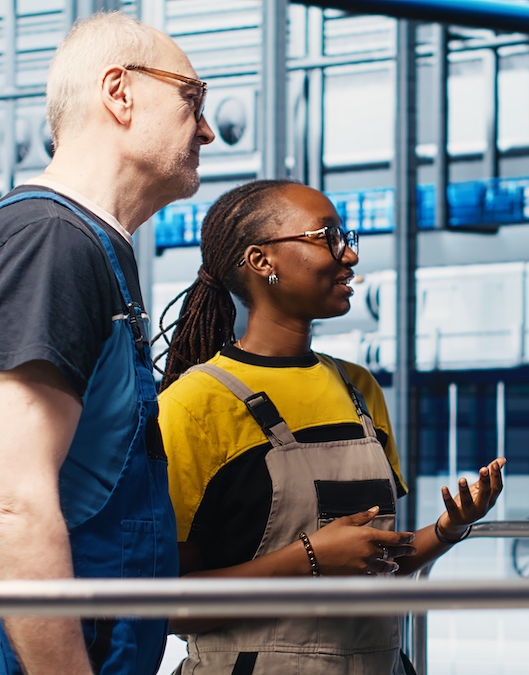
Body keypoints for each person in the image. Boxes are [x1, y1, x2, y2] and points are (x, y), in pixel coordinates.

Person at [0, 11, 214, 675]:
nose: (208, 128)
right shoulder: (54, 245)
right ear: (119, 92)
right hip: (42, 651)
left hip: (30, 639)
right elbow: (13, 505)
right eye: (192, 99)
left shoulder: (50, 238)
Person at [156, 179, 507, 674]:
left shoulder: (360, 389)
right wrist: (308, 559)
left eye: (347, 237)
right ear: (262, 262)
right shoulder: (194, 405)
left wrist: (449, 529)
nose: (349, 255)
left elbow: (381, 561)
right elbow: (167, 606)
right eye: (326, 236)